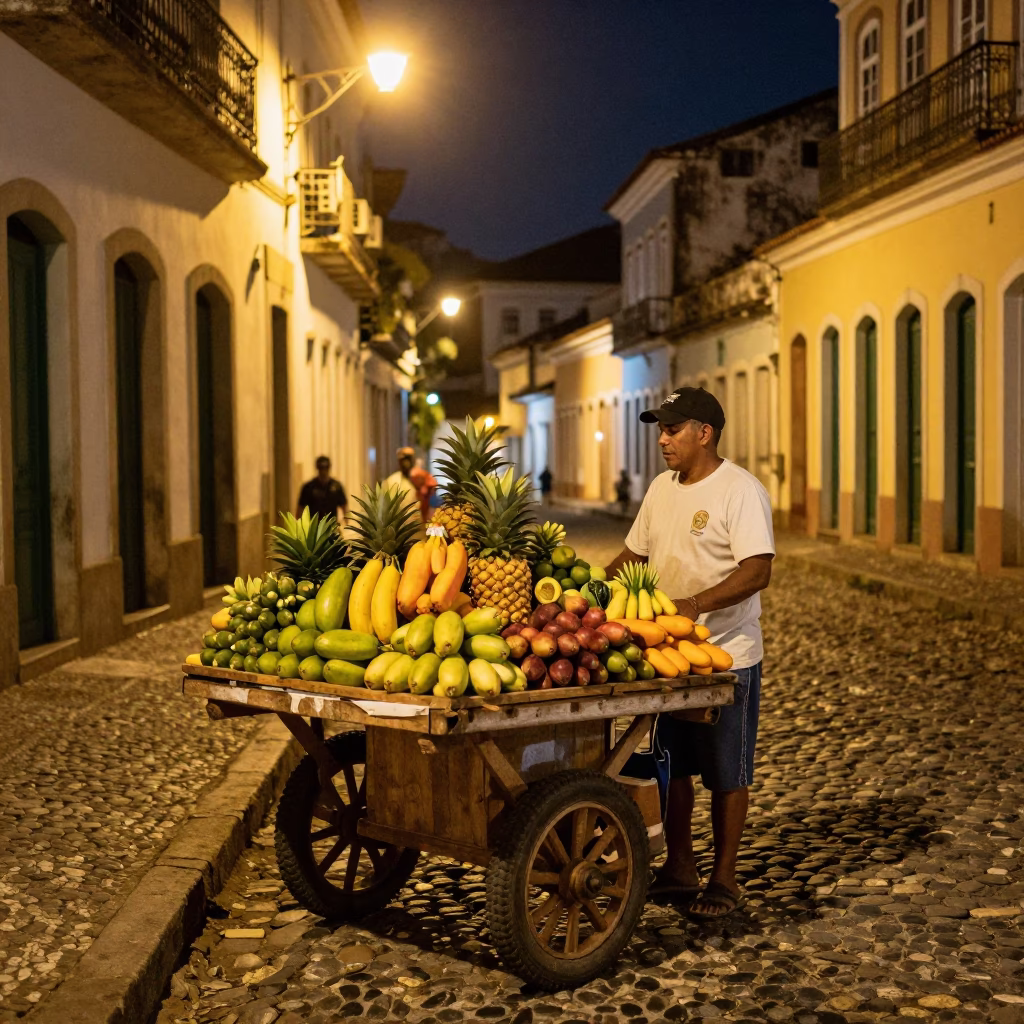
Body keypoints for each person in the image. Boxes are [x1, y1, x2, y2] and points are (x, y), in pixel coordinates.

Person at [604, 386, 774, 921]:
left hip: (727, 656)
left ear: (705, 432)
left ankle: (724, 879)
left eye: (673, 429)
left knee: (728, 771)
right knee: (670, 766)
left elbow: (757, 569)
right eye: (660, 429)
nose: (663, 439)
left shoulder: (739, 490)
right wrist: (586, 591)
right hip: (667, 657)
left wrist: (696, 604)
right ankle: (680, 866)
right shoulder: (660, 489)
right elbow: (633, 554)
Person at [385, 446, 437, 525]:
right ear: (399, 461)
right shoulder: (392, 480)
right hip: (399, 526)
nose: (406, 463)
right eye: (404, 459)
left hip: (418, 523)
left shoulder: (419, 475)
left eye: (409, 458)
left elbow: (432, 486)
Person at [296, 456, 347, 523]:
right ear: (317, 468)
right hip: (313, 527)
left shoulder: (336, 486)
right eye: (321, 468)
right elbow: (300, 508)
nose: (323, 471)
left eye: (325, 468)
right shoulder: (309, 487)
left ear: (329, 468)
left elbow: (343, 505)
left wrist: (346, 521)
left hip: (331, 526)